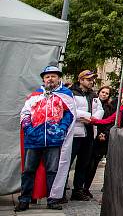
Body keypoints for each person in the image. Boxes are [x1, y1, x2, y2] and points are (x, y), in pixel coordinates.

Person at [17, 65, 76, 211]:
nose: (50, 79)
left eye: (53, 76)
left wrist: (61, 128)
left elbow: (70, 113)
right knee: (29, 170)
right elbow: (25, 113)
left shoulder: (66, 94)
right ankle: (24, 199)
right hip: (34, 139)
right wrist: (29, 129)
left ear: (58, 78)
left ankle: (53, 199)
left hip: (54, 140)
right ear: (43, 79)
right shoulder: (35, 95)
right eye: (47, 76)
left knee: (52, 170)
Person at [68, 70, 102, 201]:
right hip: (75, 133)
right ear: (81, 80)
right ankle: (60, 191)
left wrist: (93, 119)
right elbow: (71, 110)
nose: (91, 81)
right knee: (68, 162)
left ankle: (78, 190)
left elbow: (100, 110)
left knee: (83, 163)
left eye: (92, 79)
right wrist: (88, 116)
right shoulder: (72, 93)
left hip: (88, 132)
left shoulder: (93, 94)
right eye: (88, 79)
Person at [83, 85, 114, 195]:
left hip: (100, 139)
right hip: (89, 135)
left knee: (93, 165)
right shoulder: (92, 102)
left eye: (107, 93)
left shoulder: (109, 108)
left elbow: (109, 122)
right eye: (103, 92)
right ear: (99, 92)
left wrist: (104, 134)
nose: (104, 94)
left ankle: (86, 188)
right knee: (85, 163)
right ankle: (80, 187)